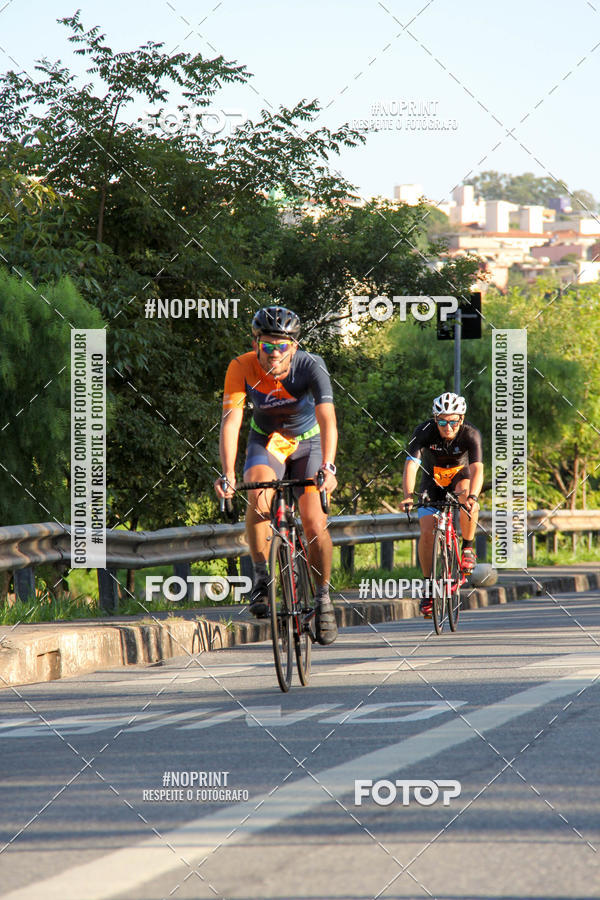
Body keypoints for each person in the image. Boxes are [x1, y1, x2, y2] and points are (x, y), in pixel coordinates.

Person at [214, 305, 339, 645]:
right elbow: (232, 422)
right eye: (266, 345)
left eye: (281, 346)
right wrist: (227, 472)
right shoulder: (240, 366)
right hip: (266, 442)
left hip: (308, 446)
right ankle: (261, 578)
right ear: (255, 343)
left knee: (314, 523)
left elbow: (327, 418)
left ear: (294, 347)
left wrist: (328, 466)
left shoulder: (311, 366)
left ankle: (323, 598)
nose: (273, 354)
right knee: (257, 498)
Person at [400, 392, 483, 617]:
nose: (448, 427)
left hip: (460, 475)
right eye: (442, 421)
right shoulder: (423, 431)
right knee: (427, 531)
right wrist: (408, 494)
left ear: (461, 419)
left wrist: (473, 496)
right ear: (435, 419)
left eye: (453, 421)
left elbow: (477, 469)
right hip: (433, 478)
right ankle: (428, 589)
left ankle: (466, 547)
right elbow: (412, 464)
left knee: (467, 497)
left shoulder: (470, 434)